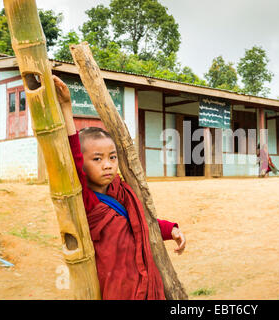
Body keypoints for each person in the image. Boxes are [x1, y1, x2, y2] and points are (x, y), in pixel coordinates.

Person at [53, 76, 186, 300]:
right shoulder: (86, 200)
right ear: (83, 164)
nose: (107, 164)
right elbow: (72, 158)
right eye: (97, 159)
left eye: (112, 157)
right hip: (118, 288)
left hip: (145, 280)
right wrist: (67, 106)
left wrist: (170, 230)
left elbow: (140, 223)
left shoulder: (122, 191)